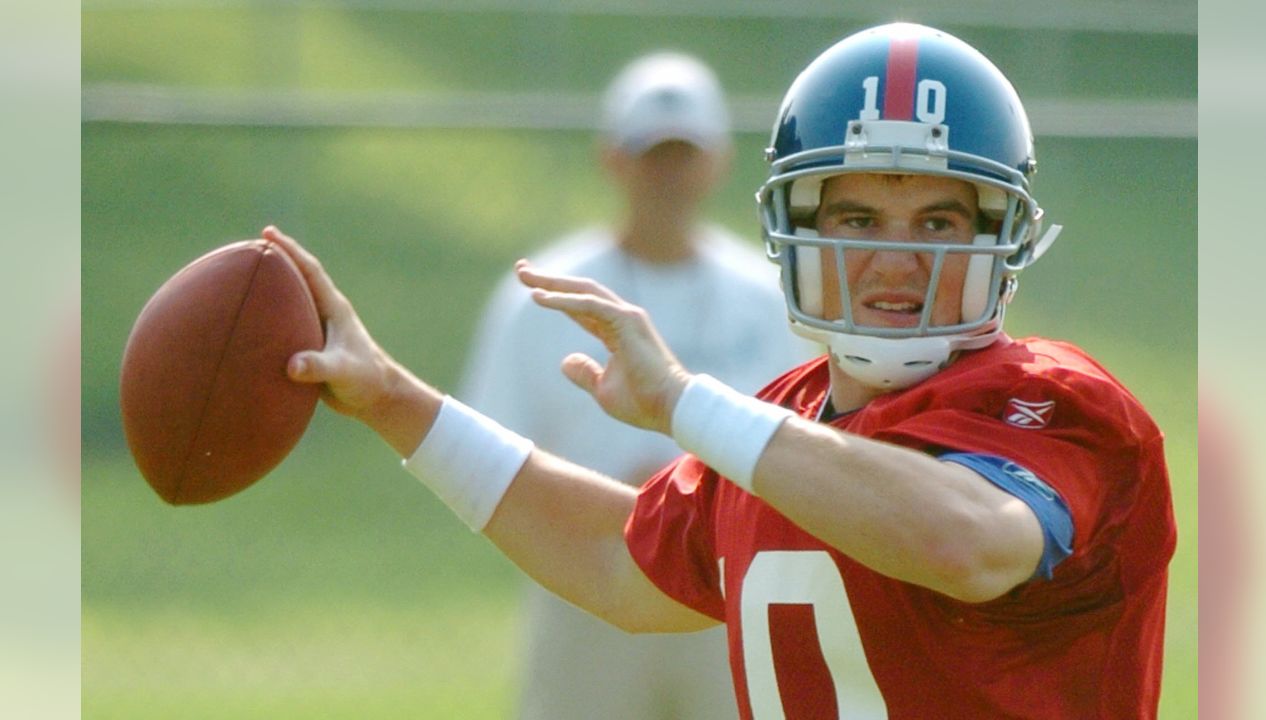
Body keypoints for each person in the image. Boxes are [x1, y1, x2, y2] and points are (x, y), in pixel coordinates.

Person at [262, 22, 1176, 719]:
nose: (898, 259)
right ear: (797, 233)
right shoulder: (783, 423)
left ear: (1001, 238)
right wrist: (392, 400)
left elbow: (967, 543)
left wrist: (691, 408)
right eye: (856, 220)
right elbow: (615, 560)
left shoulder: (1058, 399)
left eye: (938, 222)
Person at [458, 52, 810, 720]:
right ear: (613, 159)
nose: (668, 176)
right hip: (590, 573)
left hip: (723, 581)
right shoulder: (545, 293)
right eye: (653, 155)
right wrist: (625, 500)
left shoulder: (764, 297)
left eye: (683, 155)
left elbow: (801, 441)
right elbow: (489, 442)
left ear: (716, 163)